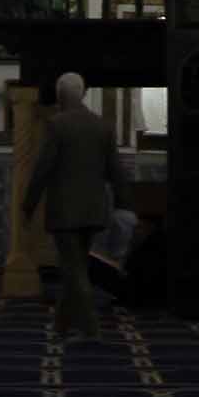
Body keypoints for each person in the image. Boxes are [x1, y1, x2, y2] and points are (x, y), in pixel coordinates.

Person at [23, 70, 127, 336]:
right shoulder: (103, 125)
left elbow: (43, 169)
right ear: (82, 94)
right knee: (77, 264)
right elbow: (116, 170)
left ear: (60, 96)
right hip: (93, 210)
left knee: (73, 269)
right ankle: (61, 324)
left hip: (65, 212)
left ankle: (91, 327)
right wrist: (124, 204)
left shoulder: (57, 124)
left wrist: (28, 205)